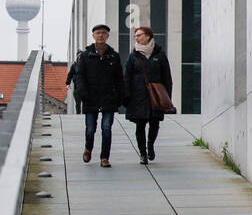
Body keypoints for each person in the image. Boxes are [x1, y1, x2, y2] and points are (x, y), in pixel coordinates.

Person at [70, 23, 125, 167]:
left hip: (109, 98)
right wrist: (83, 93)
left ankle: (104, 157)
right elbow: (79, 76)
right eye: (98, 33)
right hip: (90, 98)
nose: (101, 35)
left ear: (107, 36)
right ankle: (88, 148)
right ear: (93, 36)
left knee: (106, 128)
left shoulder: (114, 56)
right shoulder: (85, 55)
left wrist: (120, 96)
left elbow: (120, 78)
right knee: (90, 129)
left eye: (104, 33)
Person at [123, 25, 174, 165]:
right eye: (136, 36)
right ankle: (143, 153)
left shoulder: (159, 54)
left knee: (155, 123)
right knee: (140, 125)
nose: (137, 38)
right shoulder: (133, 55)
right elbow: (127, 77)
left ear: (148, 36)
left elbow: (167, 78)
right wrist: (126, 96)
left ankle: (150, 145)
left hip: (156, 96)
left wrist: (167, 97)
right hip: (138, 96)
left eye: (139, 35)